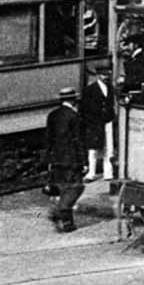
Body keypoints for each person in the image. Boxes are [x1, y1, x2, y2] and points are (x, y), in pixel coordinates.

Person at [44, 86, 84, 232]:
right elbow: (78, 140)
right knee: (74, 188)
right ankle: (65, 219)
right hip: (71, 160)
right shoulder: (74, 116)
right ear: (73, 100)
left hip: (56, 160)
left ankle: (62, 217)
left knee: (61, 188)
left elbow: (48, 139)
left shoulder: (52, 115)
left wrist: (49, 159)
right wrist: (83, 162)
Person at [80, 60, 117, 181]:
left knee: (108, 148)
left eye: (107, 74)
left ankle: (108, 173)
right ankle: (91, 173)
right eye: (103, 75)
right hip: (95, 123)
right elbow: (84, 109)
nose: (106, 77)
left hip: (107, 122)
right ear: (98, 75)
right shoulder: (90, 90)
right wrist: (91, 122)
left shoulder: (110, 88)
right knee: (93, 149)